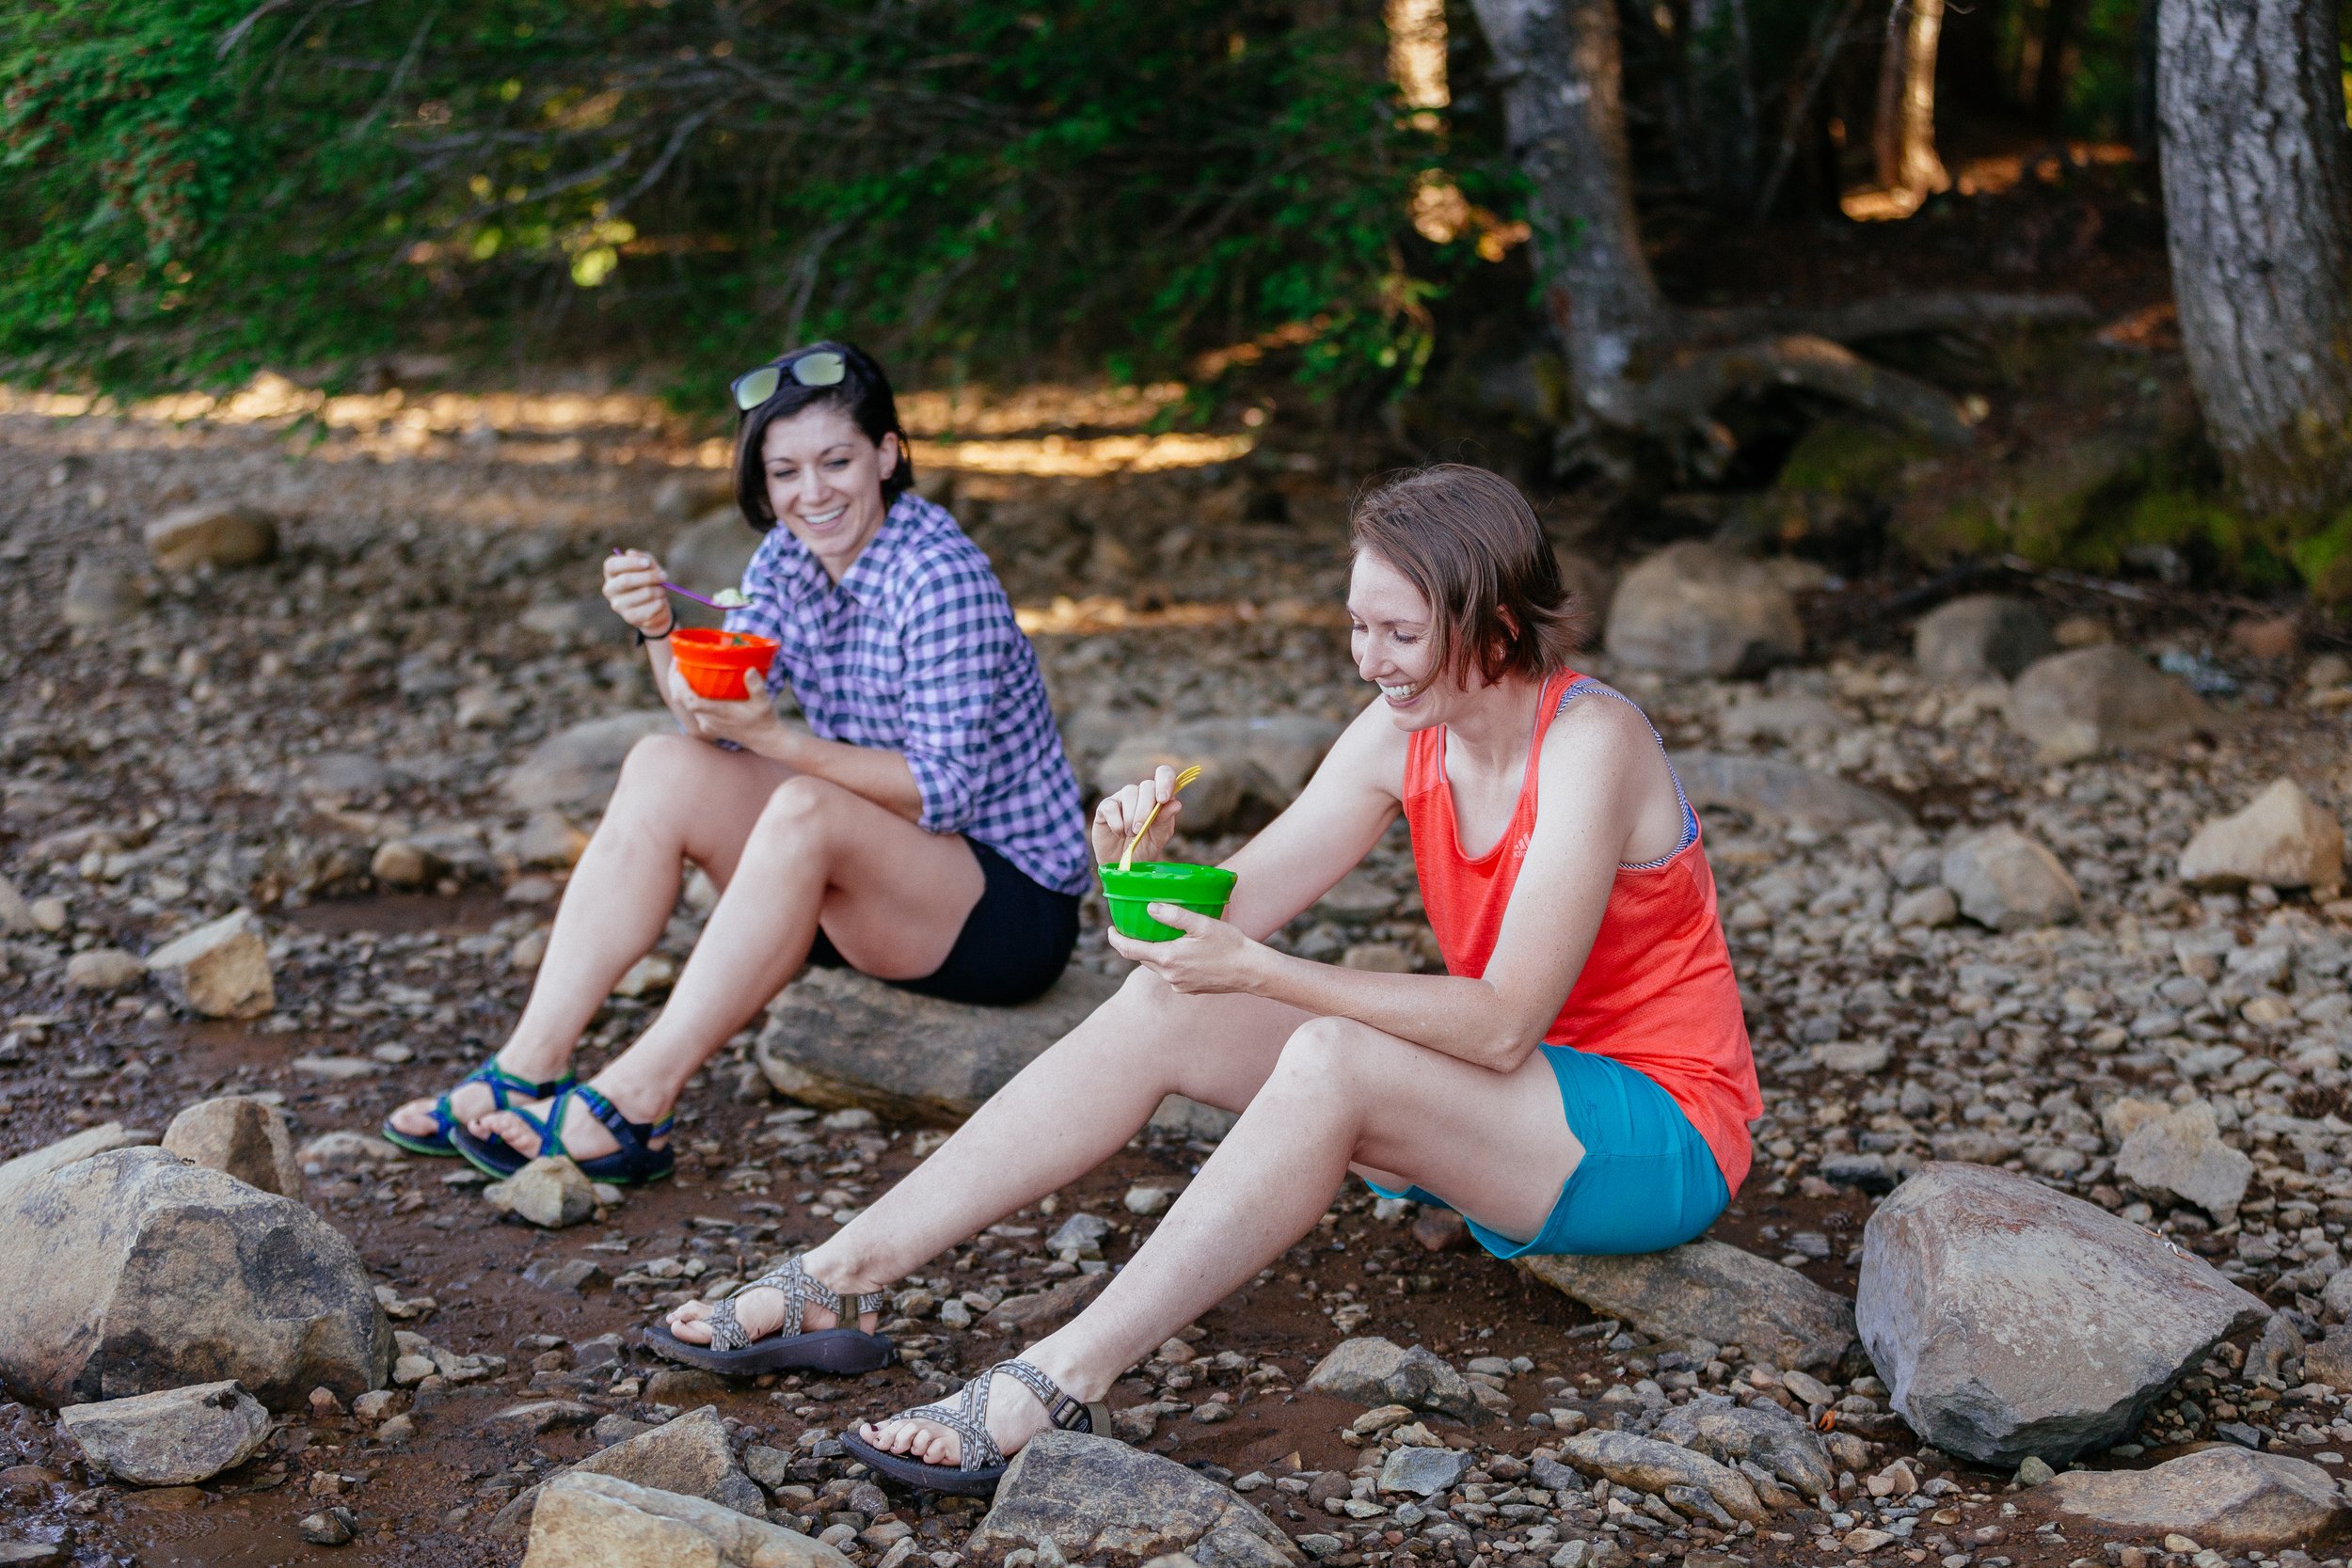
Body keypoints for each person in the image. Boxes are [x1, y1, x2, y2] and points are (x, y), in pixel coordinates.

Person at [656, 462, 1763, 1497]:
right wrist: (1144, 869)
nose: (1368, 660)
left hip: (1657, 1122)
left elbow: (1502, 1025)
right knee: (1162, 999)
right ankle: (847, 1266)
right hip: (1511, 1104)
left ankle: (1066, 1374)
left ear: (1499, 625)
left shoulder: (1590, 743)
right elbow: (1225, 912)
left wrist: (1268, 973)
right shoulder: (1401, 730)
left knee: (1328, 1052)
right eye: (1356, 625)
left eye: (1399, 633)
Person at [380, 341, 1092, 1252]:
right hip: (873, 879)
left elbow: (937, 790)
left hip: (1000, 909)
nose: (813, 492)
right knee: (659, 766)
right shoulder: (788, 561)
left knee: (802, 805)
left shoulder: (936, 576)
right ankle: (525, 1068)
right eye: (784, 470)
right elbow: (708, 721)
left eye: (837, 461)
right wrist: (658, 629)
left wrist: (778, 743)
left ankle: (637, 1105)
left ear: (886, 453)